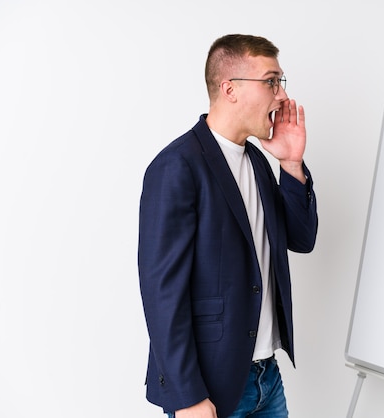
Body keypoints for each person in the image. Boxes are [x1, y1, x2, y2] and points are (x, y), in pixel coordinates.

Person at [138, 34, 318, 418]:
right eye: (271, 81)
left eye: (280, 83)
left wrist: (291, 165)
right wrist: (187, 397)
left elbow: (301, 240)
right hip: (211, 386)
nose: (282, 95)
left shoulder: (256, 160)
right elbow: (161, 294)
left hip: (266, 378)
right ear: (230, 89)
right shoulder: (176, 167)